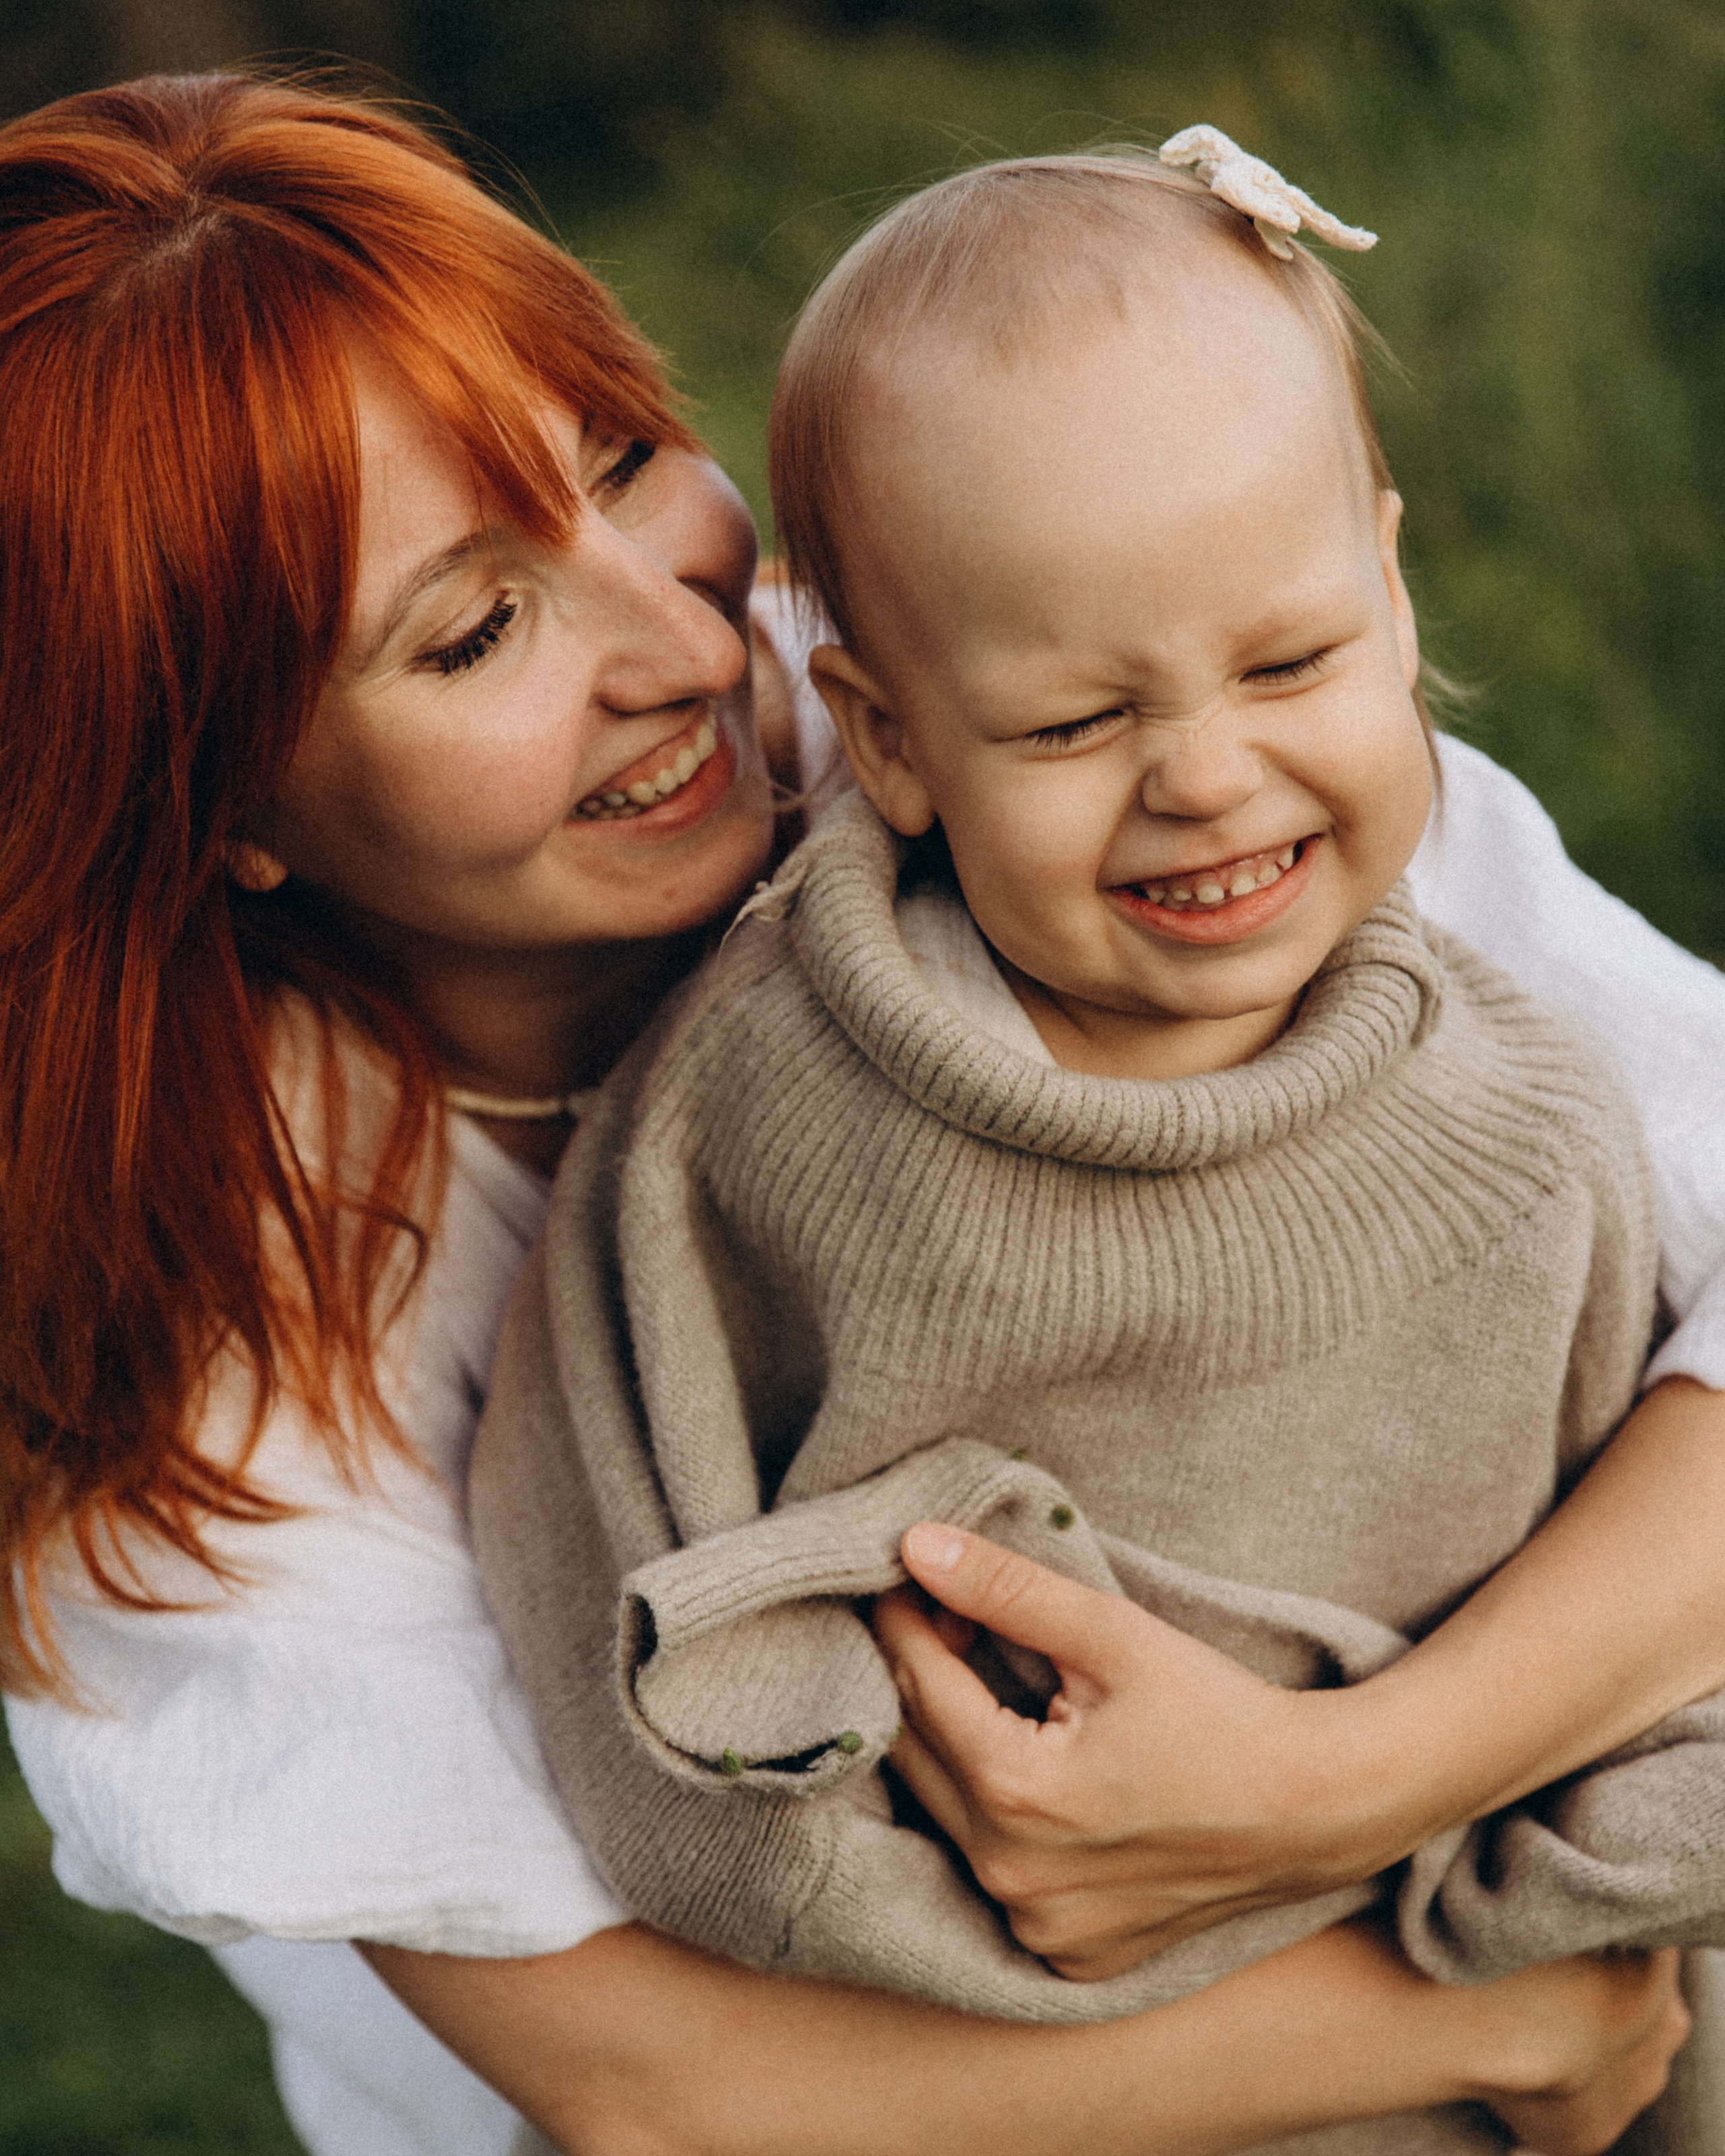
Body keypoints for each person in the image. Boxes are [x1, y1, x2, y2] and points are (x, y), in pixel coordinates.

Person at [0, 71, 1716, 2156]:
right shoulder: (168, 1339)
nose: (682, 639)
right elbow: (649, 2088)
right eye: (475, 631)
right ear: (214, 804)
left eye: (623, 457)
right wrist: (1492, 2034)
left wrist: (1352, 1782)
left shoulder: (1038, 688)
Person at [466, 145, 1725, 2143]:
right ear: (884, 738)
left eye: (1295, 662)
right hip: (974, 2070)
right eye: (1070, 729)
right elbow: (610, 1577)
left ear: (1391, 585)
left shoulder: (1532, 1115)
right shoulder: (760, 1119)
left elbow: (1636, 1653)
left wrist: (1560, 1870)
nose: (1211, 778)